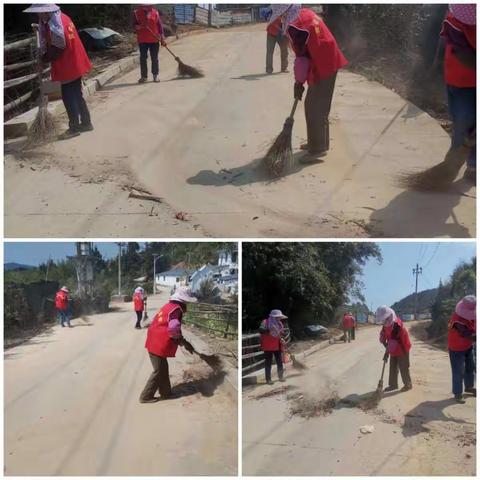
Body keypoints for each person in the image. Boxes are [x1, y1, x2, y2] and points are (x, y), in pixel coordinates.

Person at [270, 5, 347, 162]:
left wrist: (299, 82)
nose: (279, 19)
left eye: (280, 15)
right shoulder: (304, 13)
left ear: (284, 11)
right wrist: (300, 81)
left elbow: (302, 59)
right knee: (320, 105)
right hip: (327, 59)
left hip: (323, 63)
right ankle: (319, 142)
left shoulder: (296, 27)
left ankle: (317, 149)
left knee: (314, 107)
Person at [24, 4, 93, 140]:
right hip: (75, 60)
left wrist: (43, 59)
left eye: (40, 13)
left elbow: (59, 46)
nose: (39, 16)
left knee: (68, 96)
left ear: (46, 12)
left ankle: (74, 127)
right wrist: (41, 29)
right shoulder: (63, 17)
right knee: (77, 94)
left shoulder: (55, 25)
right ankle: (86, 123)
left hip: (68, 63)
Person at [139, 286, 196, 403]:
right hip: (159, 342)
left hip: (153, 339)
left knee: (163, 368)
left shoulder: (168, 306)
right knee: (158, 371)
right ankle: (145, 396)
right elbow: (174, 328)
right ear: (184, 300)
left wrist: (183, 342)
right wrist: (182, 341)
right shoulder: (176, 310)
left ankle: (166, 392)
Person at [440, 4, 476, 181]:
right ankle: (455, 160)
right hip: (461, 81)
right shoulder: (455, 23)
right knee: (465, 121)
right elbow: (465, 56)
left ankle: (474, 165)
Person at [376, 306, 412, 392]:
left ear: (388, 316)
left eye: (383, 319)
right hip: (394, 349)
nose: (383, 321)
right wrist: (382, 338)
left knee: (403, 367)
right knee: (393, 367)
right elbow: (385, 337)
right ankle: (393, 385)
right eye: (382, 319)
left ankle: (408, 384)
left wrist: (386, 354)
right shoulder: (386, 324)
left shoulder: (397, 326)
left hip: (403, 349)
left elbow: (392, 343)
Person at [447, 295, 476, 403]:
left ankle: (469, 387)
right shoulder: (457, 320)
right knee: (458, 371)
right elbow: (466, 334)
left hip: (468, 346)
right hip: (456, 349)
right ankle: (457, 393)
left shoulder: (472, 316)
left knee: (470, 367)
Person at [133, 4, 167, 84]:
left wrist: (162, 38)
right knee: (143, 58)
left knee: (154, 58)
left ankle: (155, 75)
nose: (150, 7)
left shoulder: (155, 12)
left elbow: (159, 26)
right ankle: (144, 77)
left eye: (151, 5)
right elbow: (134, 26)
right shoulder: (136, 13)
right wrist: (141, 26)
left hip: (154, 39)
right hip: (142, 40)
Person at [259, 309, 286, 385]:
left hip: (277, 346)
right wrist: (269, 329)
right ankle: (268, 379)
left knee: (279, 362)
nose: (279, 318)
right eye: (278, 317)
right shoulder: (265, 322)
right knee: (268, 363)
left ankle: (281, 377)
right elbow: (261, 330)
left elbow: (281, 334)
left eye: (280, 317)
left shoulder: (280, 324)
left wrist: (282, 339)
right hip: (268, 346)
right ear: (273, 317)